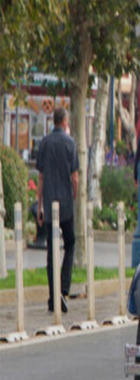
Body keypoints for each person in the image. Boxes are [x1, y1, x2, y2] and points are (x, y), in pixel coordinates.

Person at [36, 107, 78, 313]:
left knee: (52, 251)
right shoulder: (70, 143)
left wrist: (40, 206)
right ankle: (64, 288)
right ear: (65, 121)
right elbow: (75, 177)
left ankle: (53, 297)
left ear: (54, 122)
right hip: (67, 205)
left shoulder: (44, 143)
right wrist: (75, 194)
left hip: (50, 203)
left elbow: (41, 177)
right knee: (70, 243)